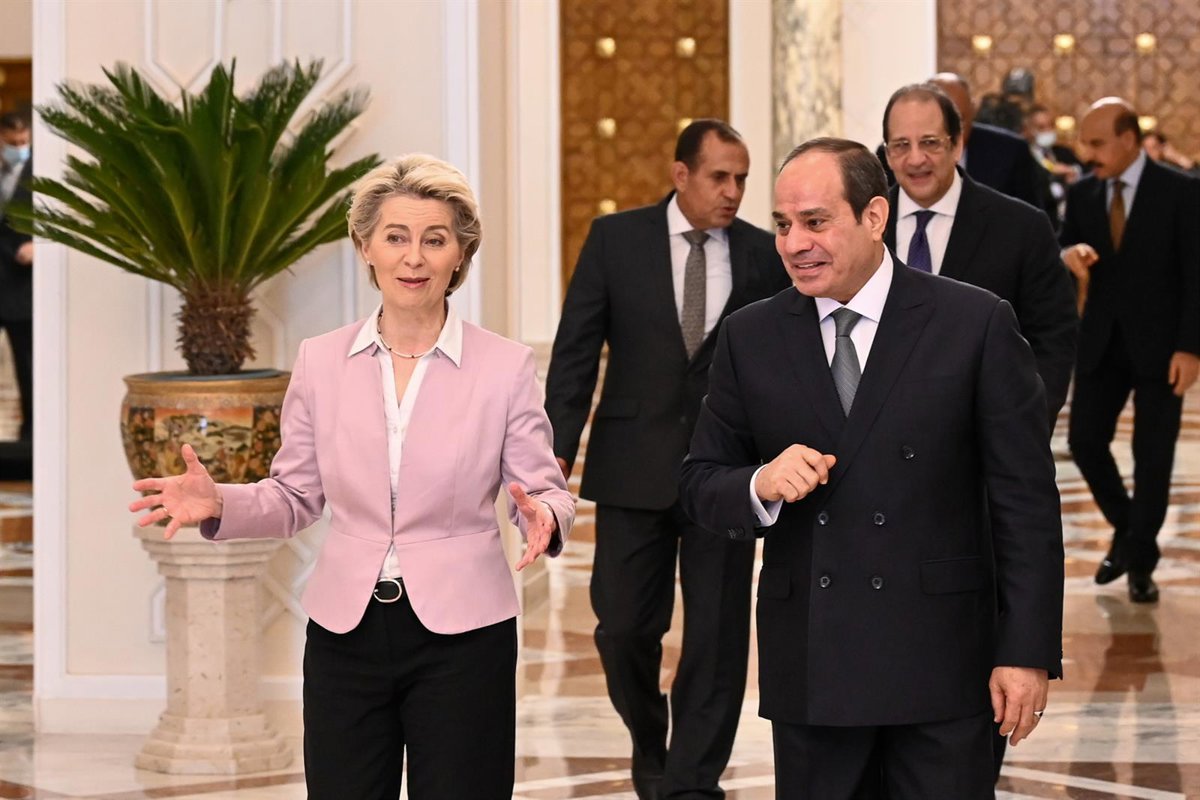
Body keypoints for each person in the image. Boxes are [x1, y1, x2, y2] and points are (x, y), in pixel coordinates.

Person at [130, 154, 576, 799]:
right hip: (346, 630)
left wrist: (544, 514)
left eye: (435, 240)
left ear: (460, 254)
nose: (413, 258)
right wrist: (220, 502)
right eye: (396, 237)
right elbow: (295, 495)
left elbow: (543, 488)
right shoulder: (320, 361)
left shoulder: (504, 367)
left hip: (465, 635)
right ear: (366, 246)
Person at [679, 137, 1064, 798]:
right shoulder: (751, 335)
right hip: (815, 667)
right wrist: (758, 482)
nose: (794, 243)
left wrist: (1025, 651)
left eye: (816, 221)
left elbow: (1025, 503)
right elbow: (699, 482)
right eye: (783, 224)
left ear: (875, 216)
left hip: (944, 663)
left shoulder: (973, 322)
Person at [544, 119, 789, 799]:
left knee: (717, 638)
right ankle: (651, 745)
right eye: (720, 177)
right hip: (631, 467)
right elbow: (575, 353)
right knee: (622, 628)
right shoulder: (614, 239)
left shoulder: (764, 253)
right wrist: (552, 457)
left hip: (728, 473)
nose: (733, 191)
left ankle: (690, 781)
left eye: (742, 178)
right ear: (681, 174)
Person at [1061, 98, 1200, 604]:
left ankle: (1139, 565)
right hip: (1101, 343)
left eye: (1097, 143)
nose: (1087, 154)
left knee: (1153, 456)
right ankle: (1131, 533)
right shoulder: (1082, 193)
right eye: (1084, 143)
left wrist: (1191, 348)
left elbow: (1196, 274)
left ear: (1128, 139)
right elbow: (1063, 244)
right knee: (1084, 441)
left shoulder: (1181, 190)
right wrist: (1068, 253)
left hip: (1163, 348)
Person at [881, 83, 1077, 430]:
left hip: (988, 438)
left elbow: (1053, 337)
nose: (915, 159)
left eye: (930, 143)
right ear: (887, 153)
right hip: (881, 437)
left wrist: (1026, 424)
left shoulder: (1022, 228)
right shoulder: (863, 228)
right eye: (901, 145)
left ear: (957, 145)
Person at [0, 112, 33, 444]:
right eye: (13, 143)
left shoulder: (39, 172)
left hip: (21, 286)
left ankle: (30, 435)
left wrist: (39, 247)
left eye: (24, 142)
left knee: (27, 364)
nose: (19, 149)